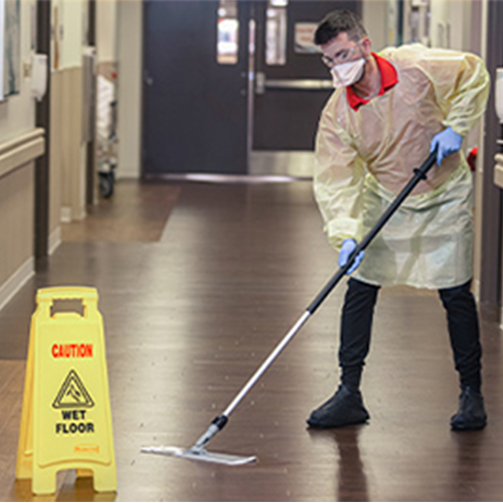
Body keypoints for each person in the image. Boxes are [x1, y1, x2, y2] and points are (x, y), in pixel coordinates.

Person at [308, 9, 490, 431]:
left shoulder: (415, 66)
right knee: (360, 287)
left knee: (456, 293)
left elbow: (474, 73)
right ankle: (349, 393)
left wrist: (458, 128)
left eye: (342, 54)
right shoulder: (338, 113)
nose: (337, 67)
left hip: (445, 194)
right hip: (386, 195)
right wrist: (347, 236)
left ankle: (471, 393)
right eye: (329, 61)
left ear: (364, 44)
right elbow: (336, 180)